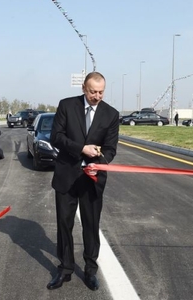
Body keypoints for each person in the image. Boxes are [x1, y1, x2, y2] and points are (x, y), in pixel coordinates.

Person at [48, 72, 119, 291]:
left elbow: (110, 149)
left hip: (92, 179)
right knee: (64, 225)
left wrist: (97, 161)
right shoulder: (66, 106)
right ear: (83, 88)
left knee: (91, 225)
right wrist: (81, 149)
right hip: (67, 176)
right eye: (93, 91)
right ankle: (66, 268)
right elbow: (56, 137)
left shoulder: (111, 114)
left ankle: (90, 270)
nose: (97, 96)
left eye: (101, 92)